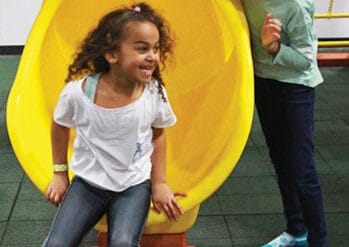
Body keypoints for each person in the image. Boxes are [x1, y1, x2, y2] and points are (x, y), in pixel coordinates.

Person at [42, 2, 186, 246]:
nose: (152, 56)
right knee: (56, 244)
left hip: (133, 186)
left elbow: (158, 135)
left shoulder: (153, 93)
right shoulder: (78, 93)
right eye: (142, 49)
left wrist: (159, 183)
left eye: (156, 48)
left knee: (122, 243)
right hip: (88, 184)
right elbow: (59, 125)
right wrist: (59, 172)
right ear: (112, 55)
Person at [241, 1, 328, 246]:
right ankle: (296, 231)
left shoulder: (294, 5)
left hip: (295, 89)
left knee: (301, 169)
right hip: (263, 81)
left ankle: (318, 241)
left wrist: (274, 46)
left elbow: (305, 60)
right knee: (281, 162)